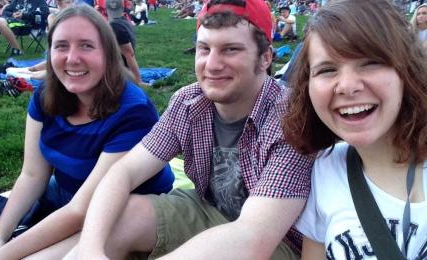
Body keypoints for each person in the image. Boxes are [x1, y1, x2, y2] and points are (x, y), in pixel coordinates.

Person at [61, 0, 313, 259]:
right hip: (210, 210)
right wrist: (91, 251)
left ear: (265, 58)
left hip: (276, 242)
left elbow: (252, 238)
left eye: (230, 49)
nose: (212, 65)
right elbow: (123, 172)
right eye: (204, 48)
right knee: (123, 215)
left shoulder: (291, 117)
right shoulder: (190, 102)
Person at [0, 4, 174, 259]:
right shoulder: (45, 94)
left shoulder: (133, 111)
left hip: (117, 214)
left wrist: (0, 255)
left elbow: (81, 210)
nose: (72, 58)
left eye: (86, 45)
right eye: (61, 46)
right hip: (64, 192)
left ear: (108, 54)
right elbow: (32, 175)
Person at [282, 0, 427, 259]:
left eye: (371, 63)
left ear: (408, 71)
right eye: (327, 70)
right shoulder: (324, 168)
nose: (347, 86)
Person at [106, 0, 147, 87]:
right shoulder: (124, 21)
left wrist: (138, 81)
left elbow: (129, 55)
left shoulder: (115, 27)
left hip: (121, 71)